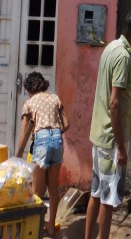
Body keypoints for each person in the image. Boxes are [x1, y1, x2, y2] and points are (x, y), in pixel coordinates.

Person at [85, 11, 131, 239]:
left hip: (100, 134)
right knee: (108, 200)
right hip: (112, 139)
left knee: (95, 193)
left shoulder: (113, 48)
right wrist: (120, 147)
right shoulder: (122, 56)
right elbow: (114, 103)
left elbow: (116, 84)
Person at [16, 72, 69, 236]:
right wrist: (53, 133)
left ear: (30, 89)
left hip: (42, 142)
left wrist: (16, 156)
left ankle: (34, 229)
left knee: (36, 191)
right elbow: (66, 124)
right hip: (58, 142)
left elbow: (24, 135)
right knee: (53, 188)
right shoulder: (55, 98)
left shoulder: (30, 103)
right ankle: (51, 227)